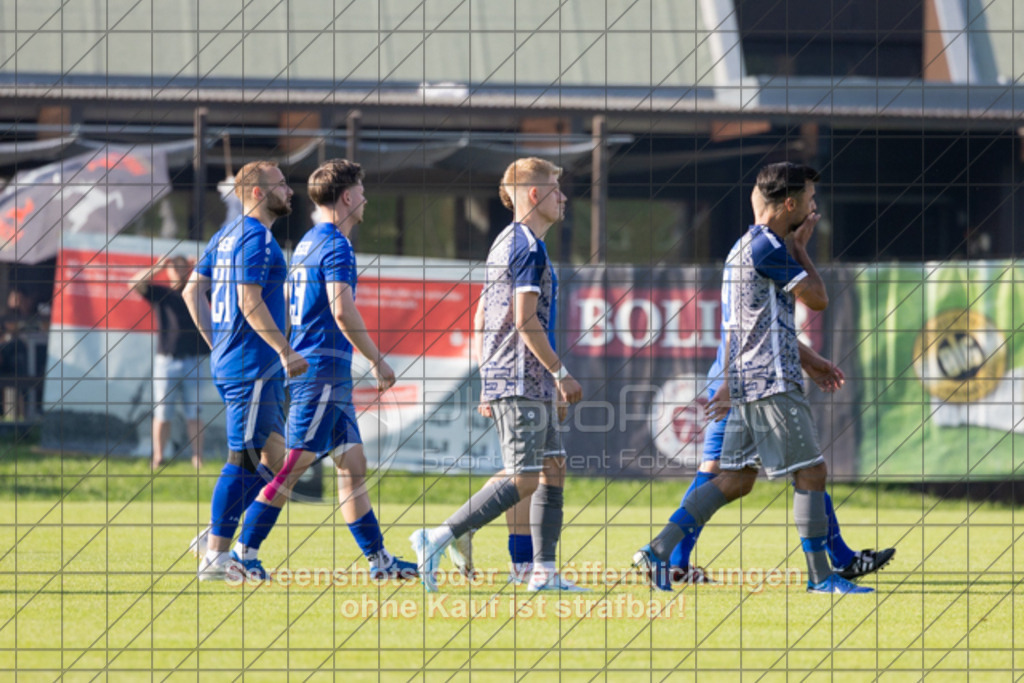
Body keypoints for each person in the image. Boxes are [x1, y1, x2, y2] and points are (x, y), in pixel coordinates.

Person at [634, 162, 876, 594]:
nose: (814, 206)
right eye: (809, 200)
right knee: (812, 474)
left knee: (737, 479)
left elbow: (741, 327)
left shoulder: (742, 246)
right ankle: (821, 579)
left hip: (748, 379)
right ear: (789, 204)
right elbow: (818, 300)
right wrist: (801, 249)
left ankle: (659, 549)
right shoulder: (769, 248)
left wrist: (735, 378)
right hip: (771, 382)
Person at [231, 158, 417, 580]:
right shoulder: (335, 244)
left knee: (353, 464)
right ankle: (241, 552)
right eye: (363, 191)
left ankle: (380, 563)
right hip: (323, 373)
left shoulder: (311, 240)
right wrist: (375, 357)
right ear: (348, 196)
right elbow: (341, 308)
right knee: (294, 465)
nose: (366, 198)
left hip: (327, 373)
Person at [410, 157, 584, 592]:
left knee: (552, 467)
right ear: (533, 194)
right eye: (555, 189)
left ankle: (539, 571)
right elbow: (525, 321)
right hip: (522, 378)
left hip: (521, 377)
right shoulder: (526, 246)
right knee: (524, 476)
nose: (563, 197)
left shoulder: (509, 240)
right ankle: (439, 536)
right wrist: (560, 374)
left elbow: (482, 315)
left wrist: (492, 379)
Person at [182, 160, 309, 581]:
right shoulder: (253, 236)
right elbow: (248, 299)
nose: (289, 191)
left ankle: (217, 535)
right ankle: (216, 558)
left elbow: (190, 291)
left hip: (246, 363)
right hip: (253, 366)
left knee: (279, 462)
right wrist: (284, 349)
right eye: (281, 184)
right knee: (245, 459)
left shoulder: (226, 235)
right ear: (258, 193)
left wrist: (218, 344)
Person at [131, 255, 210, 469]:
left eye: (182, 267)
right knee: (163, 413)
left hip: (194, 361)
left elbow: (219, 281)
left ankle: (198, 459)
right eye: (174, 267)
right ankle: (158, 457)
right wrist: (157, 267)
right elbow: (134, 284)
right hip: (167, 362)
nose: (178, 271)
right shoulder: (162, 294)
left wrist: (201, 265)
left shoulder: (199, 293)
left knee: (194, 413)